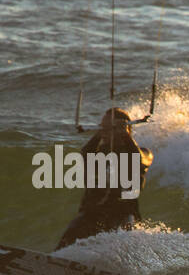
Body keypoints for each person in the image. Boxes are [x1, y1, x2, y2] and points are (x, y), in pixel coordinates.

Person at [55, 107, 153, 250]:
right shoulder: (100, 153)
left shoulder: (142, 152)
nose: (105, 131)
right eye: (103, 126)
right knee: (74, 231)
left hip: (122, 213)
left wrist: (125, 135)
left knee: (125, 232)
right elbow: (85, 154)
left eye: (109, 127)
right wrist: (99, 134)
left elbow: (139, 159)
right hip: (92, 213)